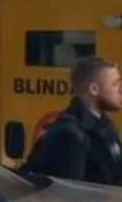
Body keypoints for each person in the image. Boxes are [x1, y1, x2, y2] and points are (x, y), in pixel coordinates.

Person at [23, 57, 122, 185]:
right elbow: (69, 196)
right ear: (94, 89)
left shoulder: (104, 126)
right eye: (115, 84)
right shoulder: (68, 135)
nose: (120, 90)